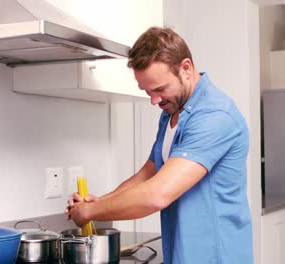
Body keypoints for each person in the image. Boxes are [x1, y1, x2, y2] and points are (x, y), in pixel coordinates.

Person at [65, 27, 253, 264]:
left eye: (160, 89)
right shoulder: (172, 112)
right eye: (147, 91)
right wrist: (97, 202)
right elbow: (147, 175)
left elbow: (157, 194)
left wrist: (90, 212)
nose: (154, 100)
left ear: (185, 68)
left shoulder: (214, 116)